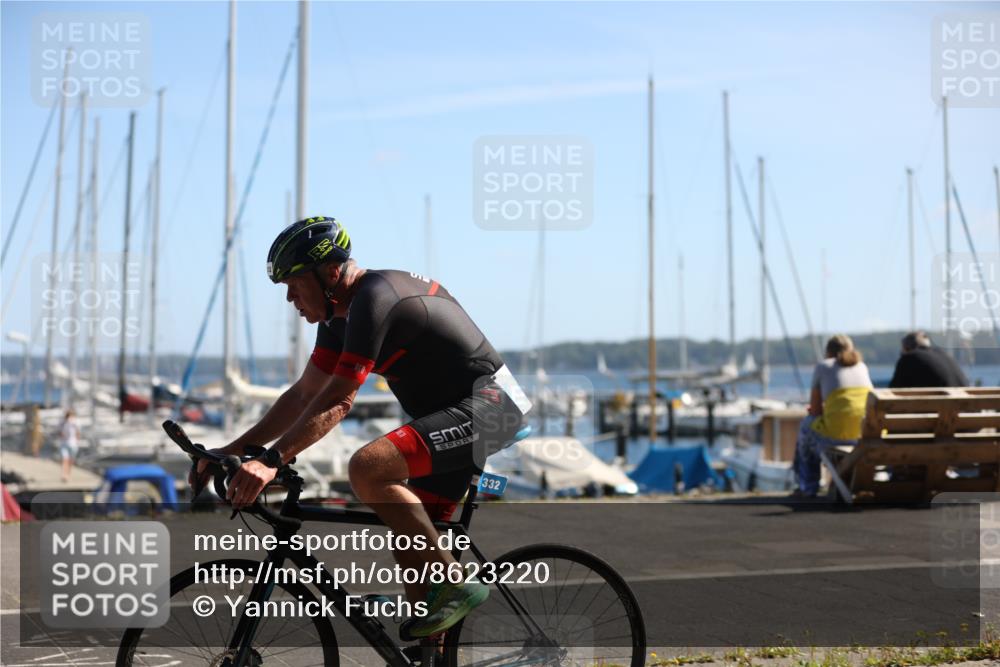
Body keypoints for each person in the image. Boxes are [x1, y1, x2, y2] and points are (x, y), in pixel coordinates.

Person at [191, 216, 531, 639]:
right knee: (410, 543)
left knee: (368, 468)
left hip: (494, 409)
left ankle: (457, 581)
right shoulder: (337, 319)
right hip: (453, 415)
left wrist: (273, 460)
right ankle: (434, 648)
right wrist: (236, 450)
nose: (290, 298)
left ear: (330, 272)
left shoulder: (374, 298)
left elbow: (338, 400)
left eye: (294, 283)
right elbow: (302, 396)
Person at [792, 335, 873, 498]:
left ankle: (808, 486)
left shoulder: (823, 366)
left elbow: (814, 411)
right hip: (863, 435)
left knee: (806, 426)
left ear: (828, 351)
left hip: (836, 436)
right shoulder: (862, 367)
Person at [889, 331, 968, 388]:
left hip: (940, 409)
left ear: (906, 348)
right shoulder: (944, 355)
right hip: (967, 409)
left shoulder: (908, 358)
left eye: (901, 352)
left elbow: (893, 391)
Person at [59, 409, 80, 483]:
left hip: (73, 444)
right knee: (65, 459)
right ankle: (64, 475)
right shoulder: (62, 423)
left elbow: (78, 432)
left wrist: (77, 442)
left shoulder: (75, 422)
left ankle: (68, 474)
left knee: (71, 461)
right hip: (64, 443)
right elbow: (60, 433)